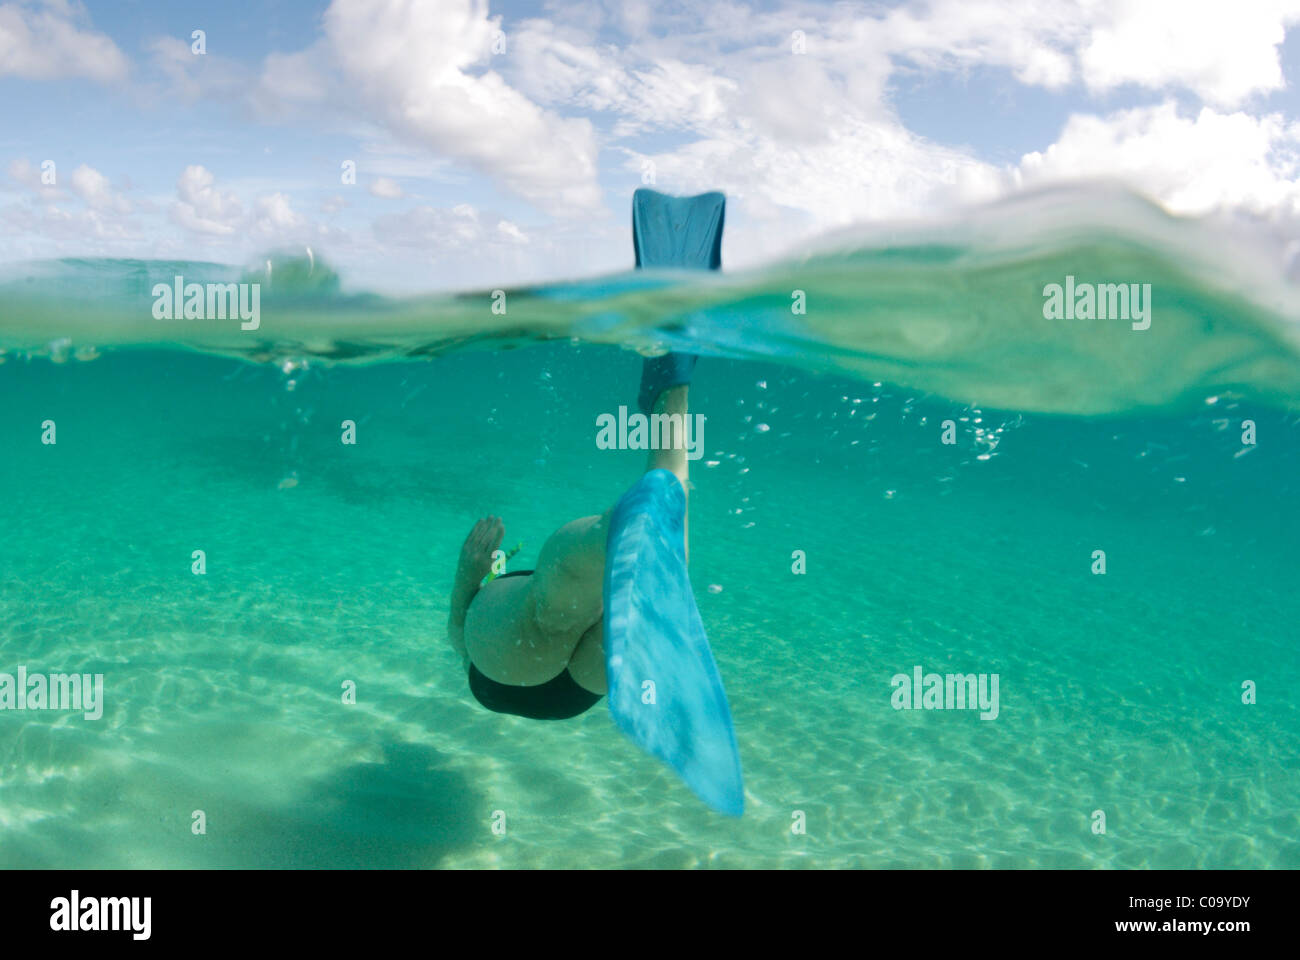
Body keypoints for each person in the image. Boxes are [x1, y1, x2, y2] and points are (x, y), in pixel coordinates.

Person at [446, 373, 693, 720]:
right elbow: (459, 636)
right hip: (521, 668)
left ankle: (673, 391)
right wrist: (468, 576)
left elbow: (460, 638)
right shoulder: (504, 610)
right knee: (559, 611)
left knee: (570, 614)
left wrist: (466, 578)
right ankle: (672, 390)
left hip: (565, 690)